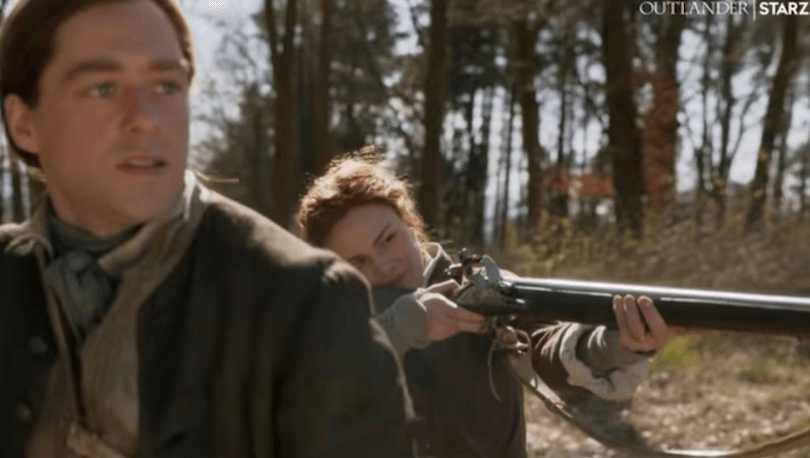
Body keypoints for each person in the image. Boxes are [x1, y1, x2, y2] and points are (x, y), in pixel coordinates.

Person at [0, 1, 414, 457]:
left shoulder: (307, 305)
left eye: (166, 86)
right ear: (24, 123)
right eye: (103, 88)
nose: (147, 117)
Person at [297, 153, 688, 458]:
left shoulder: (480, 288)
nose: (384, 266)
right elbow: (313, 391)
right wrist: (403, 326)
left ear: (408, 223)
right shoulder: (335, 323)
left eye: (387, 240)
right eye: (358, 262)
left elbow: (545, 345)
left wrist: (617, 343)